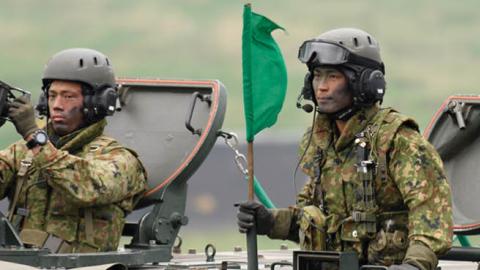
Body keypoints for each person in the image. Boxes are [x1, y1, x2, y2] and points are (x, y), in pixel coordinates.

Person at [237, 28, 453, 270]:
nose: (322, 87)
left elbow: (432, 220)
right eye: (317, 76)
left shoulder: (398, 142)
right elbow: (317, 219)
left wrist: (413, 266)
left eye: (332, 77)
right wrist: (269, 221)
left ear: (363, 83)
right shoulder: (320, 142)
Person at [0, 48, 147, 253]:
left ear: (96, 103)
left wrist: (34, 136)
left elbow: (85, 188)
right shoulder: (23, 152)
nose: (57, 105)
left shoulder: (121, 160)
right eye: (52, 96)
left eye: (68, 97)